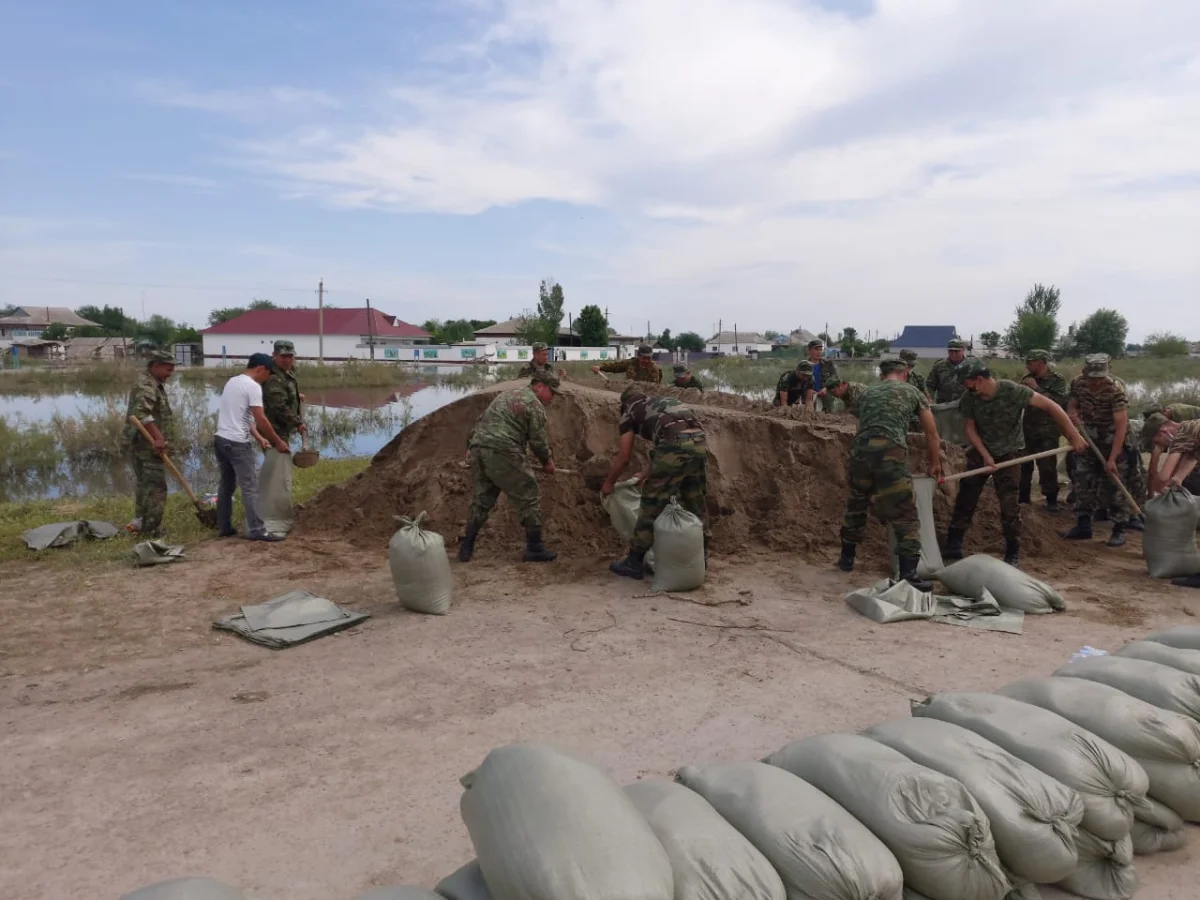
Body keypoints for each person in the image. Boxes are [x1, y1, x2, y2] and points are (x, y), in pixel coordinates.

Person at [942, 359, 1086, 568]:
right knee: (967, 495)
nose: (965, 386)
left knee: (1009, 503)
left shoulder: (1011, 391)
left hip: (1010, 453)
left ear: (979, 380)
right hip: (981, 449)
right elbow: (970, 429)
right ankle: (954, 544)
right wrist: (985, 455)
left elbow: (1051, 406)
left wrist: (1073, 436)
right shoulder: (970, 398)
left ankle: (1012, 550)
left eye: (966, 382)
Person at [837, 360, 941, 589]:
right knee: (905, 513)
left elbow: (861, 424)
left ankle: (846, 559)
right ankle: (909, 574)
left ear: (882, 375)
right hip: (891, 453)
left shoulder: (866, 393)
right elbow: (931, 434)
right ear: (905, 373)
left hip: (861, 452)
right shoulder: (913, 391)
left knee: (857, 503)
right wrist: (934, 464)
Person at [602, 386, 708, 580]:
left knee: (651, 504)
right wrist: (645, 473)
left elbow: (624, 457)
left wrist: (609, 483)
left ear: (625, 404)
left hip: (674, 445)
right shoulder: (661, 403)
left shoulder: (630, 412)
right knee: (695, 501)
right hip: (700, 444)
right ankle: (702, 555)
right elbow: (665, 441)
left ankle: (634, 562)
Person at [458, 370, 561, 563]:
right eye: (552, 392)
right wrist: (547, 462)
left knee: (482, 499)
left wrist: (471, 446)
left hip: (479, 449)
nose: (553, 397)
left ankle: (466, 547)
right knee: (529, 495)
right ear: (539, 386)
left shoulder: (505, 395)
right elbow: (538, 441)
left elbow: (482, 420)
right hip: (504, 450)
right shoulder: (534, 404)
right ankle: (535, 549)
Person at [214, 354, 291, 541]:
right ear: (260, 369)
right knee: (250, 487)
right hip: (237, 444)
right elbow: (261, 419)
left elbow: (242, 416)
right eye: (268, 374)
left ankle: (224, 527)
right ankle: (257, 530)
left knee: (226, 485)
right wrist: (277, 442)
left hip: (220, 439)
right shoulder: (253, 386)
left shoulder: (232, 382)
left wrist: (258, 438)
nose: (267, 378)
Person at [1064, 353, 1135, 547]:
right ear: (1085, 373)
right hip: (1089, 438)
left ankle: (1119, 528)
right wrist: (1072, 412)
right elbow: (1072, 402)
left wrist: (1112, 458)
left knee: (1115, 485)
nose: (1095, 383)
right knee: (1082, 480)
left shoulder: (1115, 389)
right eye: (1091, 378)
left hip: (1114, 440)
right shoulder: (1078, 383)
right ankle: (1083, 525)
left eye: (1099, 378)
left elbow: (1121, 426)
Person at [122, 349, 177, 537]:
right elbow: (142, 414)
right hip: (147, 446)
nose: (170, 374)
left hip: (144, 445)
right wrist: (159, 438)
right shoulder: (147, 386)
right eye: (168, 370)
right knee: (155, 488)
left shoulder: (152, 382)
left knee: (145, 486)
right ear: (155, 366)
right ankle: (151, 530)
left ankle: (141, 524)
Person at [1017, 349, 1070, 510]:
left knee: (1047, 466)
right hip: (1027, 429)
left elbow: (1059, 402)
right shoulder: (1026, 379)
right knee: (1024, 466)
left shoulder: (1057, 380)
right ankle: (1023, 499)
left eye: (1030, 363)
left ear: (1041, 363)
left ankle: (1051, 500)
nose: (1027, 366)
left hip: (1047, 431)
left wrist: (1037, 389)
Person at [1143, 414, 1200, 496]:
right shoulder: (1191, 429)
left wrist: (1156, 487)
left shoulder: (1181, 435)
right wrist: (1178, 477)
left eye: (1157, 442)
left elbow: (1164, 477)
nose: (1160, 446)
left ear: (1163, 432)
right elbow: (1191, 458)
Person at [925, 339, 969, 403]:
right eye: (951, 351)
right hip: (944, 405)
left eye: (956, 351)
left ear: (963, 350)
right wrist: (929, 399)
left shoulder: (971, 365)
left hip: (965, 404)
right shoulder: (939, 366)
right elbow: (930, 385)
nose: (953, 354)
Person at [592, 344, 662, 382]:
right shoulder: (631, 363)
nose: (646, 361)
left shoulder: (655, 369)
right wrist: (600, 367)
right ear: (638, 356)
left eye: (649, 358)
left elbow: (655, 388)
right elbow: (616, 366)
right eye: (644, 358)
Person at [806, 339, 839, 411]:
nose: (819, 352)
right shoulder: (804, 365)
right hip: (808, 397)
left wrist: (826, 388)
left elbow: (836, 378)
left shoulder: (828, 364)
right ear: (809, 351)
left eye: (820, 349)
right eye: (816, 349)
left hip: (825, 395)